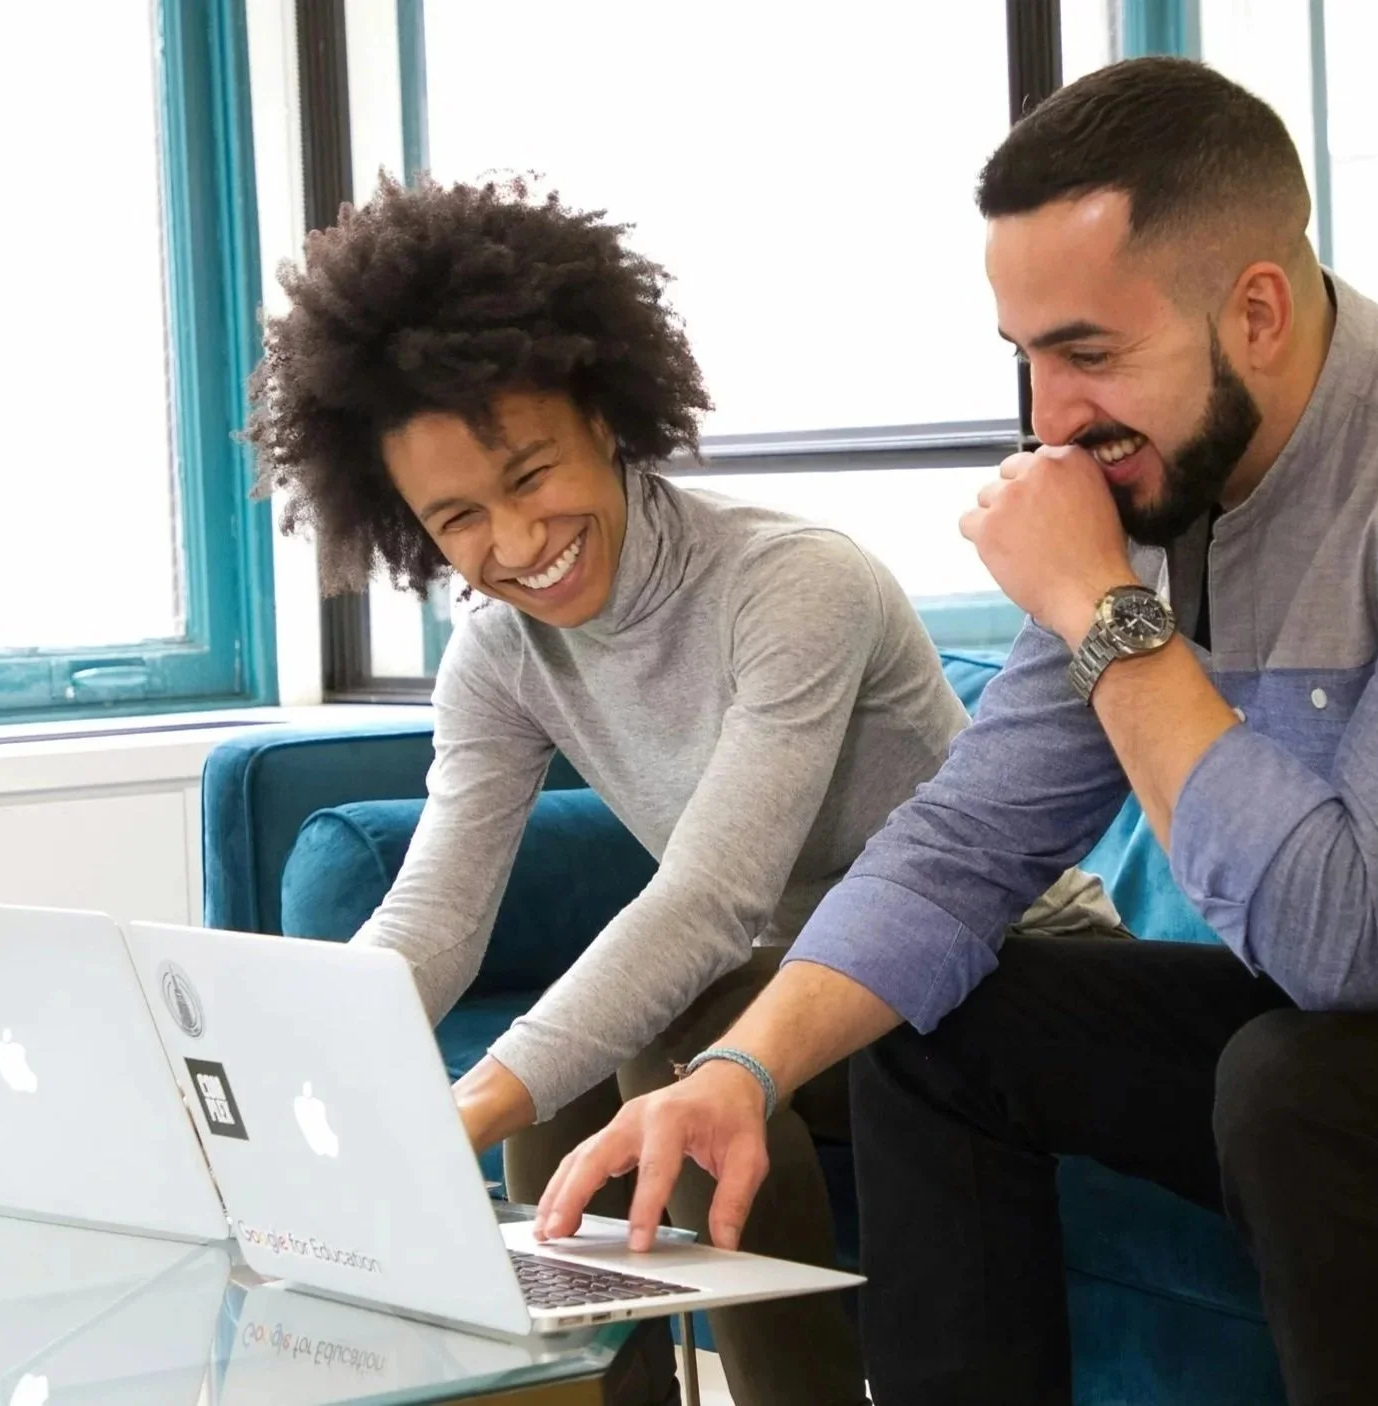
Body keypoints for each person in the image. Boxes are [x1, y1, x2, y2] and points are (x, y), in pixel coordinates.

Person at [530, 58, 1378, 1406]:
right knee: (938, 1022)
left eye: (1087, 354)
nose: (1047, 420)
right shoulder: (1150, 485)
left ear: (1255, 309)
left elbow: (1341, 937)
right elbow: (960, 844)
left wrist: (1093, 603)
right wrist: (741, 1069)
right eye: (1024, 357)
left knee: (1305, 1086)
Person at [241, 176, 1121, 1406]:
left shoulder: (792, 583)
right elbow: (433, 918)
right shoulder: (499, 652)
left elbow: (713, 896)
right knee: (561, 1114)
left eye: (531, 472)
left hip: (1009, 971)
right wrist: (291, 1065)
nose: (514, 541)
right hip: (802, 1005)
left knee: (655, 1045)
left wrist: (470, 1102)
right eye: (459, 518)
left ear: (606, 413)